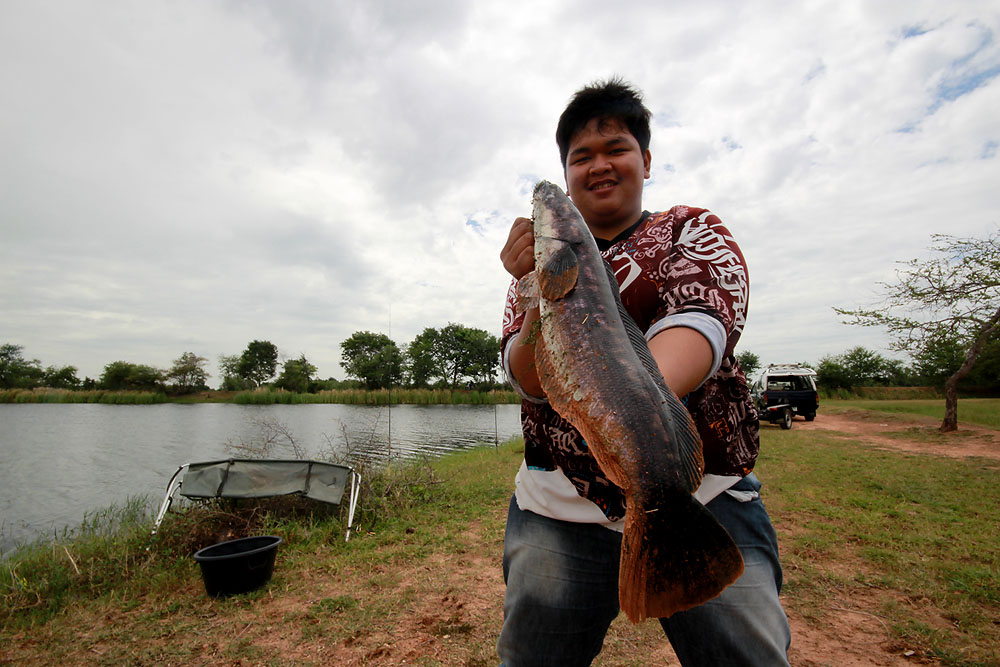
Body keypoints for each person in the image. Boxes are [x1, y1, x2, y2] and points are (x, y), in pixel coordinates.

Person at [497, 78, 791, 666]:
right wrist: (536, 294)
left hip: (700, 500)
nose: (598, 165)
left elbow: (702, 327)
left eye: (616, 149)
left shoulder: (691, 229)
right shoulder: (539, 271)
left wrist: (627, 418)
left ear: (646, 160)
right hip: (559, 509)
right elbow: (529, 381)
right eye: (580, 157)